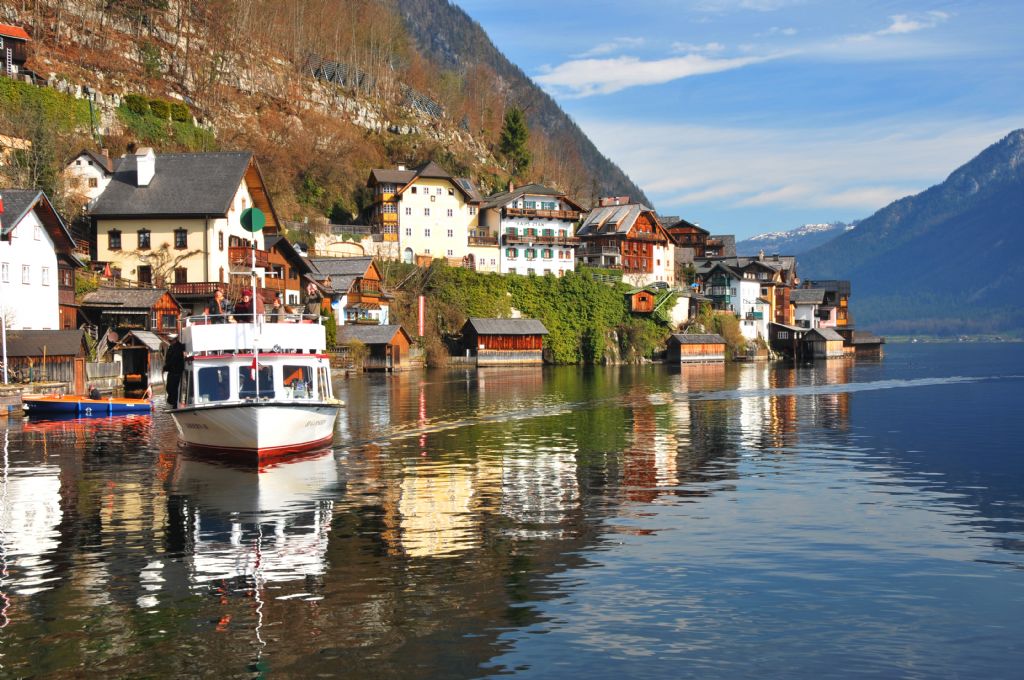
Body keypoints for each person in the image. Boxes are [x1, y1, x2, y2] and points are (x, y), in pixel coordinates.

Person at [163, 335, 186, 408]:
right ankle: (171, 403)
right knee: (169, 388)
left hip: (176, 371)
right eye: (169, 341)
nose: (170, 342)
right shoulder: (172, 347)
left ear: (175, 340)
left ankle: (173, 404)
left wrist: (166, 367)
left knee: (172, 388)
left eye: (171, 341)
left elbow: (174, 360)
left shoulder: (178, 348)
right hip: (172, 370)